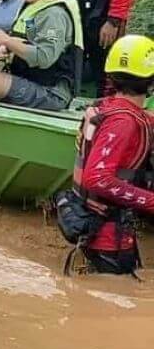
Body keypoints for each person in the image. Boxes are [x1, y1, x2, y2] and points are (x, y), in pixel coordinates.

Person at [57, 35, 154, 276]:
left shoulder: (106, 107)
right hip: (108, 236)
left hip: (93, 223)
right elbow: (97, 178)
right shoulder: (124, 122)